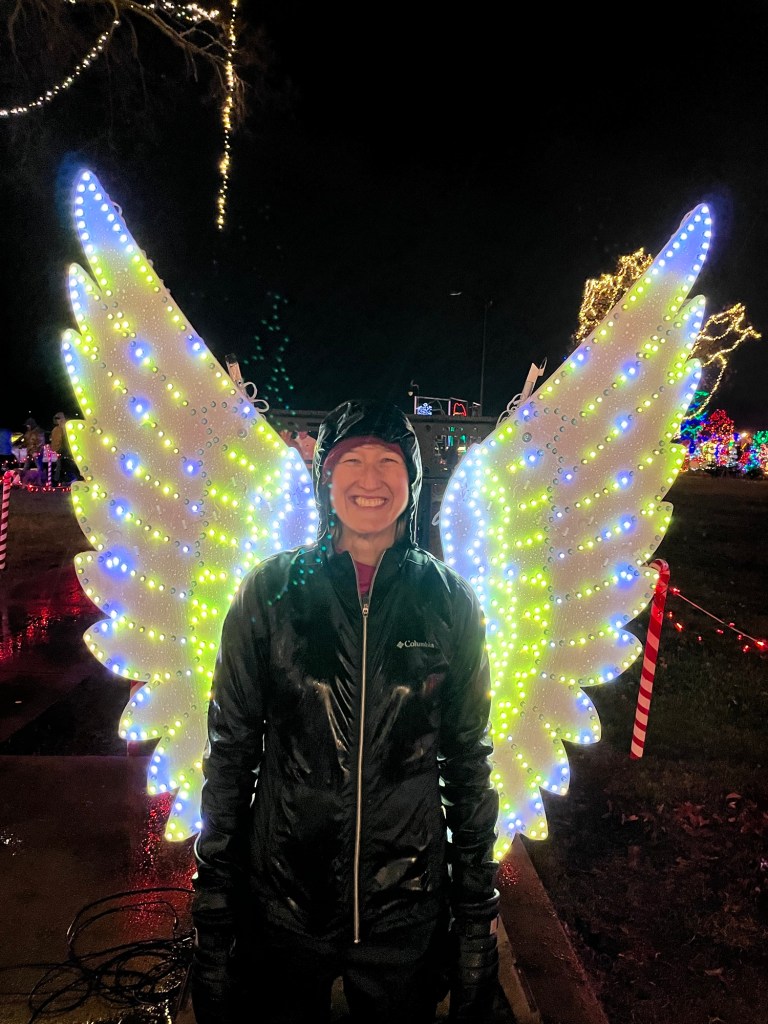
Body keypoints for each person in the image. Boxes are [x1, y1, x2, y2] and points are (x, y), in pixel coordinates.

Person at [190, 398, 500, 1024]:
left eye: (388, 461)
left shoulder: (451, 603)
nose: (369, 479)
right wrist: (215, 903)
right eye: (350, 461)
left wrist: (475, 918)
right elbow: (232, 752)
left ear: (412, 481)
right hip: (285, 900)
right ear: (324, 478)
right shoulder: (269, 592)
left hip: (405, 906)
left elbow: (468, 762)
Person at [49, 412, 80, 485]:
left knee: (65, 465)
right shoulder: (57, 429)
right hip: (61, 450)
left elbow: (65, 439)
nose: (58, 421)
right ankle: (59, 480)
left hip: (65, 450)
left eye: (59, 419)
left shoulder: (65, 428)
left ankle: (60, 480)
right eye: (57, 419)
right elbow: (55, 440)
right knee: (61, 465)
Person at [21, 416, 45, 484]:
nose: (27, 426)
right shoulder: (28, 432)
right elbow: (26, 441)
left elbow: (40, 443)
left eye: (28, 425)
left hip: (36, 452)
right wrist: (22, 445)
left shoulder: (39, 432)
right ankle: (23, 480)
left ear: (31, 425)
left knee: (39, 467)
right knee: (26, 466)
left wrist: (36, 452)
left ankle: (40, 481)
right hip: (29, 452)